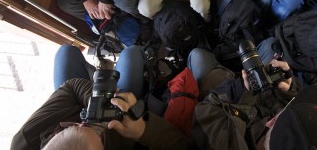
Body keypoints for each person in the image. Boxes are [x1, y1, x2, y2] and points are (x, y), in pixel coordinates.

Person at [11, 45, 194, 149]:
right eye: (98, 135)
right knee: (132, 54)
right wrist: (142, 131)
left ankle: (97, 72)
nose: (89, 123)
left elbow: (72, 85)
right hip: (124, 122)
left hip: (77, 99)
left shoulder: (24, 142)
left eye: (77, 125)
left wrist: (97, 102)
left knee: (66, 52)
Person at [187, 48, 317, 149]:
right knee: (271, 46)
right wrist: (288, 89)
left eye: (291, 107)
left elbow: (206, 107)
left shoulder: (223, 141)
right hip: (258, 95)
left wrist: (242, 87)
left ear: (272, 121)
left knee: (198, 54)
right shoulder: (295, 136)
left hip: (227, 96)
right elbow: (302, 121)